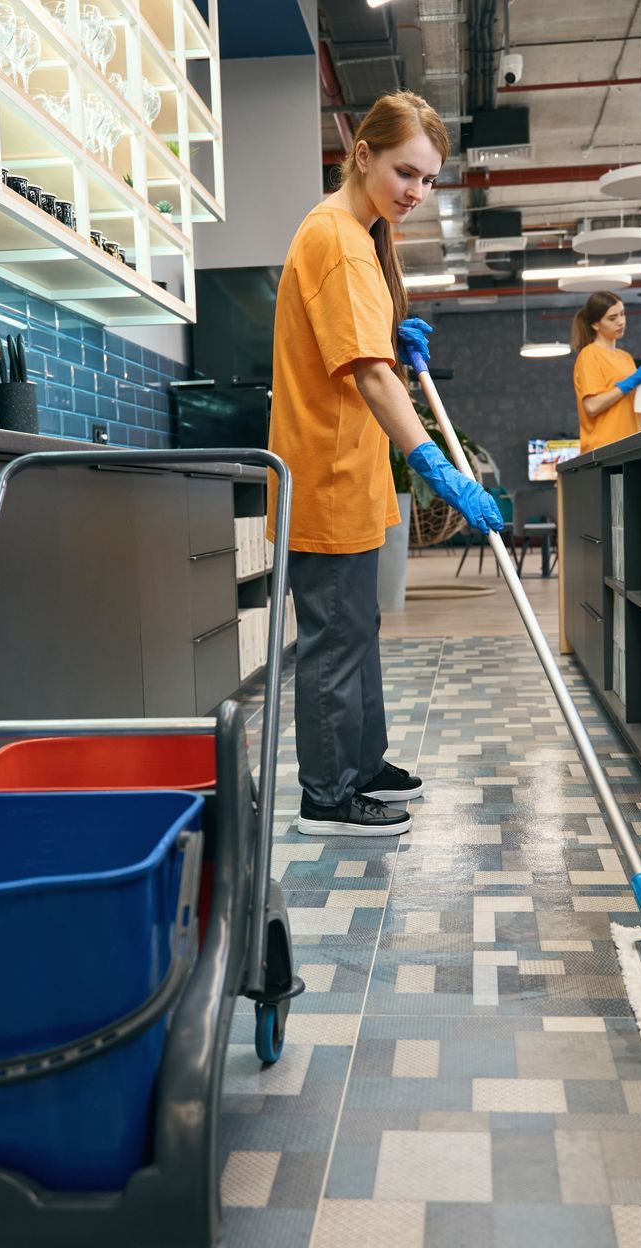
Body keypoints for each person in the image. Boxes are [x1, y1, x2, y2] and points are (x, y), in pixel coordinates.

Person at [266, 90, 504, 838]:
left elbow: (366, 351)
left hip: (352, 475)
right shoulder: (338, 240)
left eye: (429, 179)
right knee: (334, 640)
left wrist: (393, 334)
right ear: (362, 154)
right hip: (327, 476)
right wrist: (436, 465)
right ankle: (327, 796)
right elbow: (369, 377)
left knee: (357, 629)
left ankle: (363, 766)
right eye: (406, 172)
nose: (417, 192)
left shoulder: (360, 236)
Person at [570, 292, 641, 453]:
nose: (621, 321)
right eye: (612, 318)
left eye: (622, 314)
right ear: (596, 324)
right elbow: (592, 406)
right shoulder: (589, 355)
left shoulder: (625, 358)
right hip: (602, 451)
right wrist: (628, 384)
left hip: (630, 447)